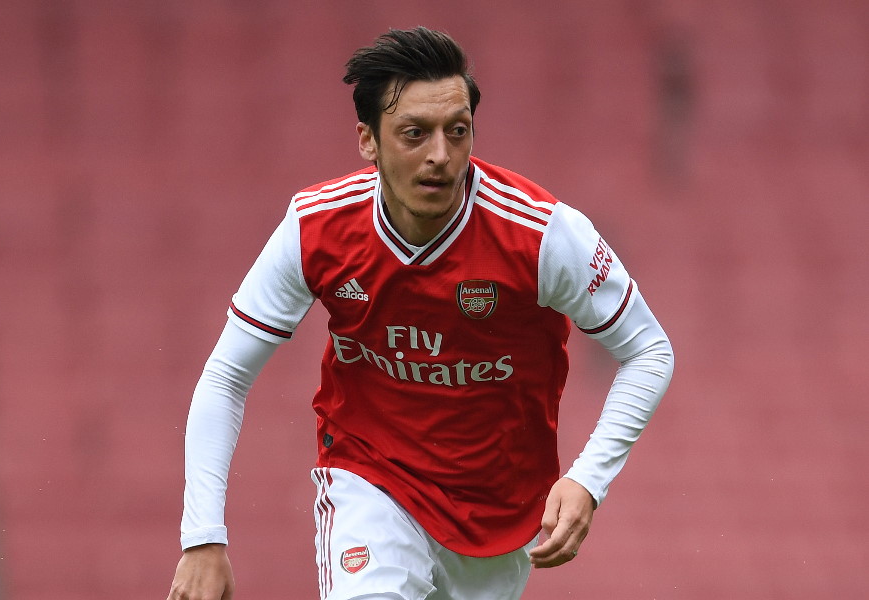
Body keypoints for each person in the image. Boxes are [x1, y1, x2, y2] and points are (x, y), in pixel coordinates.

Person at [167, 26, 674, 600]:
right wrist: (202, 537)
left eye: (457, 131)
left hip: (496, 512)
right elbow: (227, 375)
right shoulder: (316, 228)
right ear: (368, 141)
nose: (440, 155)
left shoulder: (542, 235)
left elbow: (649, 350)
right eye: (414, 133)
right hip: (371, 481)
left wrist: (587, 480)